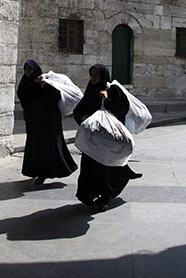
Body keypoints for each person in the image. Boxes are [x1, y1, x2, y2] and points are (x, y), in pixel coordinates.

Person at [73, 64, 141, 211]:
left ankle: (104, 198)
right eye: (91, 75)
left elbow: (123, 108)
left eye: (96, 74)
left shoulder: (112, 89)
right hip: (92, 140)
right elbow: (78, 110)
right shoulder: (90, 90)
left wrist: (108, 100)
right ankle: (88, 196)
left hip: (106, 141)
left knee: (103, 171)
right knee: (88, 169)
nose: (93, 78)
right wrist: (83, 117)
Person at [17, 59, 77, 185]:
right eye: (26, 69)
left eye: (30, 69)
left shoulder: (47, 82)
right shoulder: (26, 83)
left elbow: (56, 96)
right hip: (33, 120)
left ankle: (50, 171)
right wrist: (35, 83)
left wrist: (44, 85)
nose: (28, 72)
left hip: (49, 120)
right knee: (35, 146)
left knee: (50, 146)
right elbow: (23, 95)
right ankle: (37, 172)